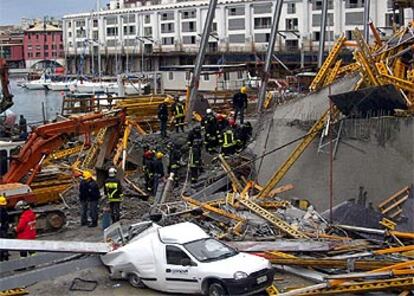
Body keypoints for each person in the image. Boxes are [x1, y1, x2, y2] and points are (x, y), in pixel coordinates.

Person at [0, 195, 9, 261]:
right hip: (3, 228)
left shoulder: (2, 210)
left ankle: (3, 254)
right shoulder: (4, 210)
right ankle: (5, 253)